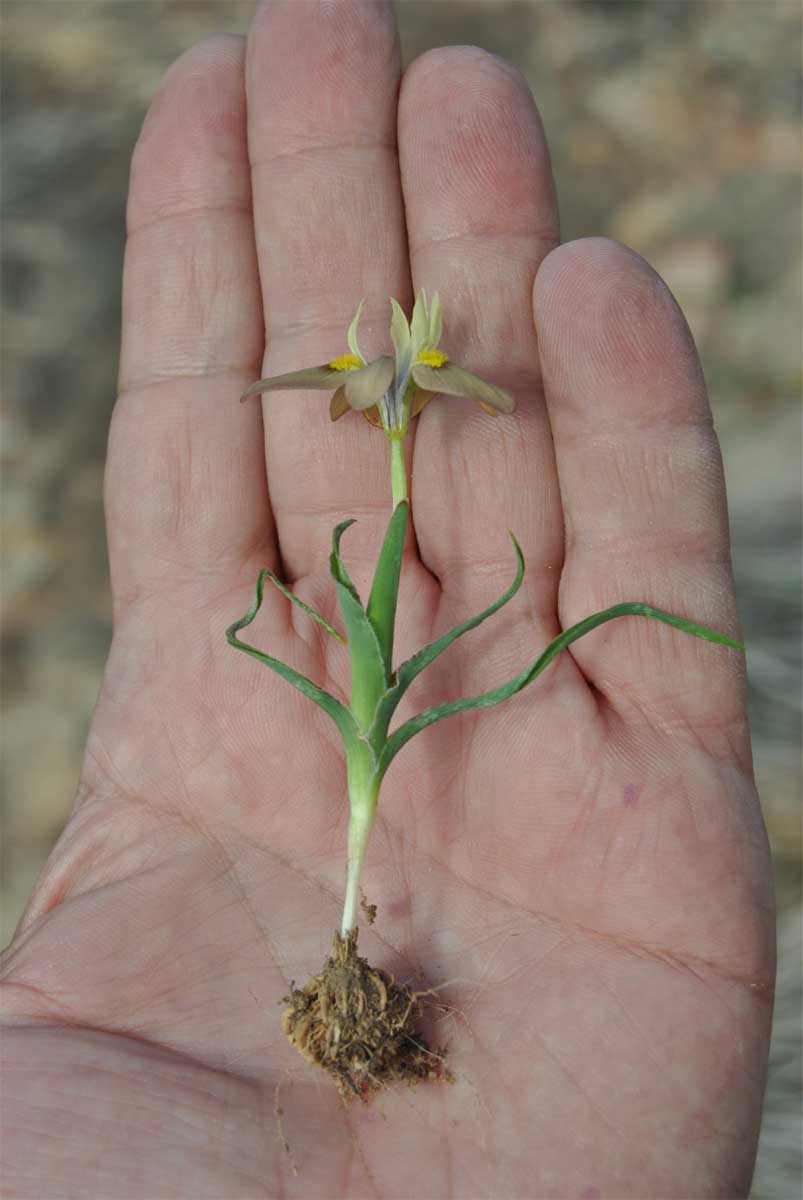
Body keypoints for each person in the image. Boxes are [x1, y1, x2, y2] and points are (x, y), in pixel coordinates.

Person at [1, 3, 774, 1196]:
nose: (381, 393)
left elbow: (448, 393)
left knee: (391, 657)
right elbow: (318, 381)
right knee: (375, 667)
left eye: (394, 377)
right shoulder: (371, 380)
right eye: (383, 377)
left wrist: (427, 388)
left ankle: (347, 963)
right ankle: (345, 969)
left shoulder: (411, 382)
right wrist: (357, 384)